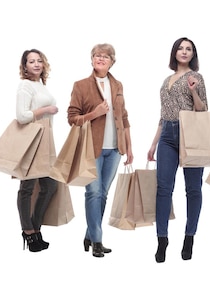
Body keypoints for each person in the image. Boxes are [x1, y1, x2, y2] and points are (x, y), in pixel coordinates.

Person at [67, 43, 133, 258]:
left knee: (103, 194)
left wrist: (128, 147)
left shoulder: (118, 85)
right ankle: (97, 240)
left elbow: (123, 118)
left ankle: (90, 234)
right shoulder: (81, 85)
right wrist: (94, 113)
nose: (100, 59)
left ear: (112, 61)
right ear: (92, 59)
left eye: (105, 56)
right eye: (97, 55)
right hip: (91, 149)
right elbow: (72, 118)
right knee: (93, 192)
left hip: (114, 149)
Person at [148, 37, 208, 263]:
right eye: (181, 48)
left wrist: (193, 91)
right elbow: (163, 114)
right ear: (174, 53)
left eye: (189, 49)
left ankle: (189, 237)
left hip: (190, 132)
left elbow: (202, 110)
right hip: (167, 135)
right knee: (163, 188)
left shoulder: (196, 77)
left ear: (193, 54)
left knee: (193, 189)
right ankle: (162, 239)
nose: (184, 52)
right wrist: (154, 143)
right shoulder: (167, 79)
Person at [16, 49, 59, 252]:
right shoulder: (25, 85)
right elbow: (22, 116)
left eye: (39, 60)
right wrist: (46, 110)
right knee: (27, 188)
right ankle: (28, 232)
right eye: (31, 61)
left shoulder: (41, 85)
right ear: (25, 66)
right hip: (31, 141)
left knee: (50, 186)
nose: (36, 64)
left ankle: (35, 228)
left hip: (45, 141)